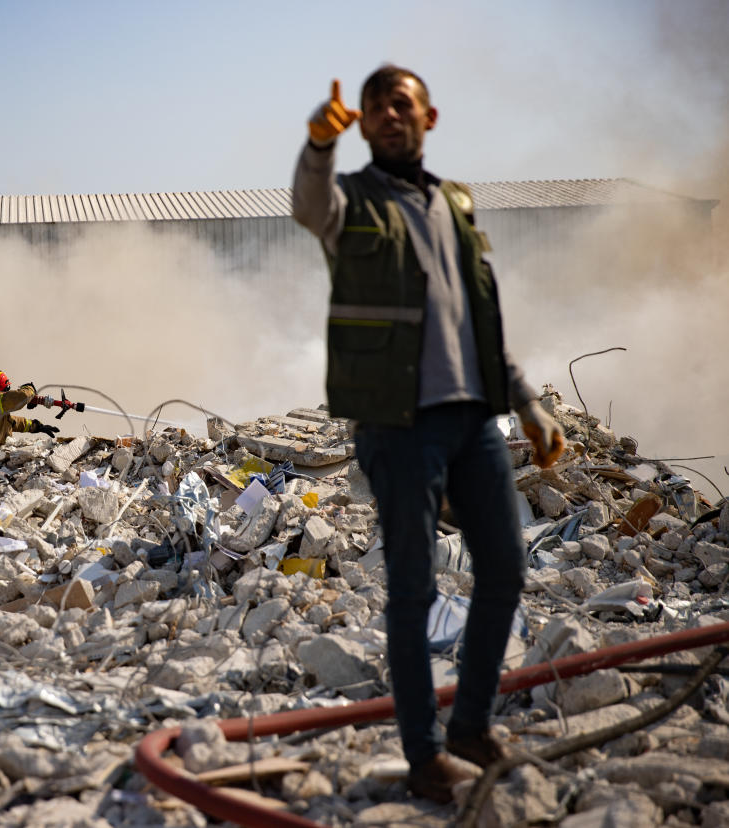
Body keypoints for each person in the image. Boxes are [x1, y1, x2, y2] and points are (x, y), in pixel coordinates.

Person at [291, 65, 565, 803]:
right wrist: (319, 146)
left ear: (428, 118)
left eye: (400, 103)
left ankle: (470, 725)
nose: (387, 113)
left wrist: (529, 404)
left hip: (476, 423)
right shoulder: (350, 202)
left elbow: (484, 322)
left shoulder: (454, 205)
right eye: (376, 105)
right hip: (398, 427)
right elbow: (306, 204)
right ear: (365, 122)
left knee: (504, 571)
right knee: (412, 593)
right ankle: (424, 757)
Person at [0, 370, 59, 464]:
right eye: (7, 391)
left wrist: (37, 426)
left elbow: (11, 422)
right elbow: (21, 397)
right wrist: (29, 388)